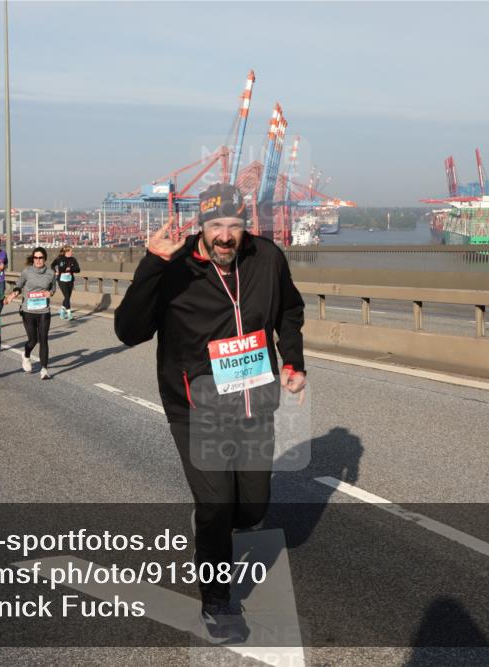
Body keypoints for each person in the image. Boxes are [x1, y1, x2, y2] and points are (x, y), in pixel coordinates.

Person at [114, 183, 307, 645]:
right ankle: (217, 602)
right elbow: (129, 331)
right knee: (217, 505)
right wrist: (152, 265)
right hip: (195, 407)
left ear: (246, 226)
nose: (226, 236)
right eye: (216, 225)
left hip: (255, 401)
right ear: (201, 225)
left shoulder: (267, 258)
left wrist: (293, 360)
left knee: (252, 506)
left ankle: (216, 523)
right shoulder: (175, 266)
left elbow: (290, 310)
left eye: (235, 225)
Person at [5, 247, 56, 380]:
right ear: (33, 259)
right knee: (33, 340)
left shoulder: (51, 273)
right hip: (28, 310)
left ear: (45, 258)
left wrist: (49, 293)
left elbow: (53, 287)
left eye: (41, 258)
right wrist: (12, 296)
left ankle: (44, 369)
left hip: (44, 310)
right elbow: (19, 285)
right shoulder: (27, 272)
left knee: (43, 338)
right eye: (36, 258)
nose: (38, 260)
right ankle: (26, 355)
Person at [51, 245, 80, 320]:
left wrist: (70, 269)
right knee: (67, 296)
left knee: (68, 297)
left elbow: (78, 269)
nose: (72, 252)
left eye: (72, 251)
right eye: (70, 251)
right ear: (66, 251)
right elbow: (52, 265)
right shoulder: (60, 258)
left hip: (70, 280)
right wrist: (55, 271)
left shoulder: (73, 259)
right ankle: (69, 313)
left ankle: (62, 310)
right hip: (61, 280)